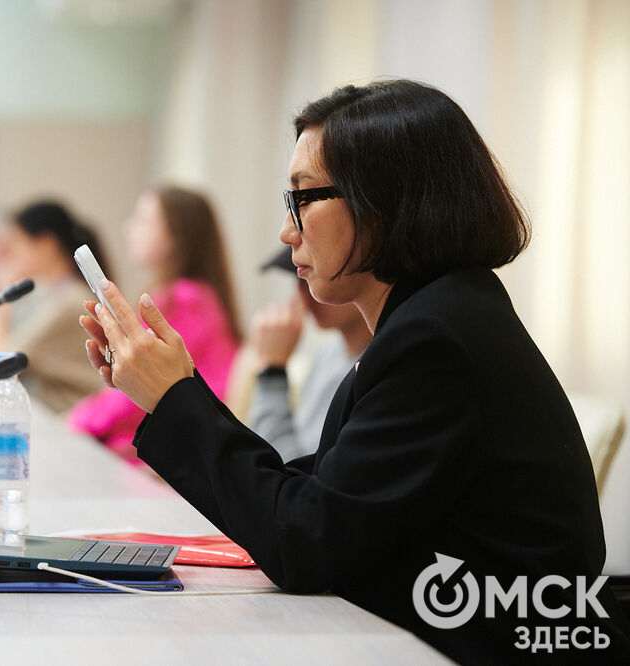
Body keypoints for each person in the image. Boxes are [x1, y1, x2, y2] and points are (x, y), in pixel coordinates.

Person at [77, 80, 630, 663]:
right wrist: (178, 388)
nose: (287, 230)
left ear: (383, 202)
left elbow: (307, 539)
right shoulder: (442, 314)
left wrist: (173, 398)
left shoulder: (435, 338)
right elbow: (320, 496)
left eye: (304, 198)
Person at [67, 186, 240, 464]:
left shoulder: (184, 299)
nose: (129, 228)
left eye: (143, 220)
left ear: (175, 237)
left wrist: (77, 422)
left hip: (185, 450)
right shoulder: (195, 296)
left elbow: (137, 390)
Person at [0, 200, 108, 413]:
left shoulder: (68, 303)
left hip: (70, 421)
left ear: (47, 245)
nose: (12, 257)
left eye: (17, 245)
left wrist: (2, 309)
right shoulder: (51, 295)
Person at [248, 247, 371, 460]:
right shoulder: (329, 353)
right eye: (300, 276)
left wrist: (272, 373)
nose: (306, 292)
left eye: (314, 271)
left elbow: (293, 470)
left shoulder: (374, 367)